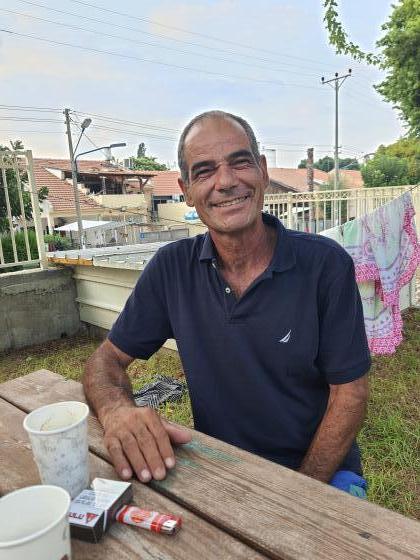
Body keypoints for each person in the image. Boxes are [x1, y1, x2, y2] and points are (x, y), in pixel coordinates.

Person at [83, 110, 370, 495]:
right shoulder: (171, 269)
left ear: (262, 171)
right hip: (221, 471)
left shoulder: (325, 265)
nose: (226, 181)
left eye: (240, 162)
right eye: (204, 171)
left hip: (322, 473)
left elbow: (350, 393)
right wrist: (116, 410)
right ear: (186, 190)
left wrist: (299, 495)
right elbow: (105, 360)